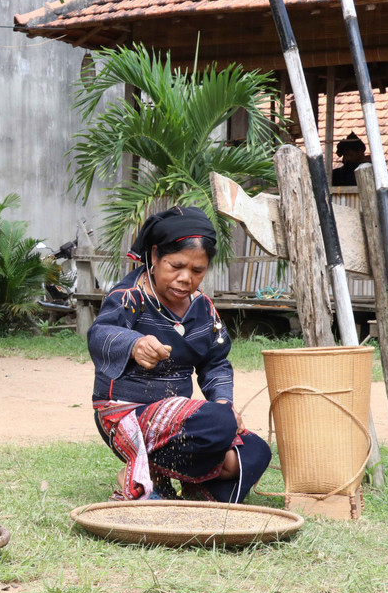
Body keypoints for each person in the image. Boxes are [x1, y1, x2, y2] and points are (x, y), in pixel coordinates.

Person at [87, 206, 270, 503]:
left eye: (197, 271)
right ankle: (141, 476)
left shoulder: (203, 308)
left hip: (179, 423)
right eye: (176, 266)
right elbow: (100, 333)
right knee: (219, 423)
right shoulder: (129, 297)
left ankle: (187, 489)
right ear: (155, 256)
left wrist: (223, 402)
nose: (186, 278)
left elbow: (217, 363)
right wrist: (134, 344)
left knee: (255, 450)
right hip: (125, 416)